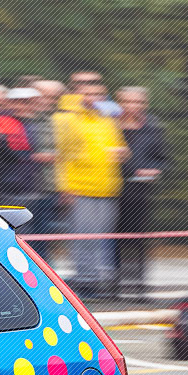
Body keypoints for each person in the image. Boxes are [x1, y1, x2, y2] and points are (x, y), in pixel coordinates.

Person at [54, 71, 127, 297]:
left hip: (107, 187)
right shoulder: (68, 118)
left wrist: (122, 153)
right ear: (79, 95)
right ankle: (85, 280)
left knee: (102, 236)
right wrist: (65, 186)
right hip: (80, 187)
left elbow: (122, 147)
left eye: (99, 94)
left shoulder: (108, 120)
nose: (95, 98)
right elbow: (62, 155)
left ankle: (99, 280)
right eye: (89, 94)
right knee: (84, 236)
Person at [114, 86, 167, 300]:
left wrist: (154, 170)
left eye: (138, 102)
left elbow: (164, 159)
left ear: (145, 104)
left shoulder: (153, 127)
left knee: (138, 240)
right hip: (112, 191)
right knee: (113, 240)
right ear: (119, 103)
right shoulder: (109, 125)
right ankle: (113, 286)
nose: (133, 106)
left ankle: (139, 286)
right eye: (128, 101)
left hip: (140, 194)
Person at [7, 85, 58, 233]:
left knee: (42, 232)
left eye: (27, 102)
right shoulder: (4, 122)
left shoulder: (43, 122)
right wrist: (34, 157)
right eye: (17, 102)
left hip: (43, 186)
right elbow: (7, 153)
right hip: (14, 187)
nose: (22, 106)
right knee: (19, 232)